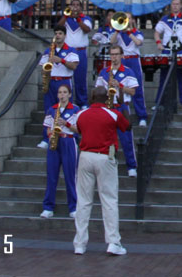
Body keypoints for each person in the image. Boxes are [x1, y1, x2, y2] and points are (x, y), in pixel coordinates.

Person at [72, 85, 129, 257]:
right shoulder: (112, 114)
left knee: (83, 201)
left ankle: (80, 244)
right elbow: (127, 126)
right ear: (106, 98)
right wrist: (122, 103)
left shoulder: (82, 114)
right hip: (105, 156)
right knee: (109, 200)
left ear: (91, 98)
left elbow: (78, 128)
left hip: (85, 156)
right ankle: (113, 242)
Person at [95, 45, 139, 177]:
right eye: (112, 55)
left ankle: (132, 166)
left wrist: (119, 86)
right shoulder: (104, 72)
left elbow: (133, 91)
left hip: (121, 107)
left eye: (116, 54)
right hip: (108, 107)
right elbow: (98, 91)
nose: (113, 57)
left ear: (121, 55)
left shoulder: (128, 71)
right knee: (105, 138)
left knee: (126, 139)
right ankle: (107, 165)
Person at [39, 84, 81, 219]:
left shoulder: (75, 109)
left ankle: (73, 207)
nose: (62, 95)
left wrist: (66, 124)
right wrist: (51, 134)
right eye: (60, 92)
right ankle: (48, 207)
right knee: (51, 176)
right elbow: (47, 128)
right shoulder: (52, 110)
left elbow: (79, 130)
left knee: (70, 176)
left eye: (64, 92)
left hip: (68, 141)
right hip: (54, 143)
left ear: (69, 94)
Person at [154, 0, 182, 110]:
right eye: (173, 4)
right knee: (164, 77)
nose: (175, 6)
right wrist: (158, 42)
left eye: (177, 4)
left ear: (181, 5)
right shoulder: (165, 19)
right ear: (171, 6)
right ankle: (160, 103)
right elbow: (157, 32)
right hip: (167, 49)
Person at [109, 12, 147, 126]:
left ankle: (142, 116)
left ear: (132, 20)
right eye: (125, 18)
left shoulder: (138, 33)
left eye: (129, 18)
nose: (127, 20)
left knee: (137, 88)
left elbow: (139, 42)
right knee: (117, 87)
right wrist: (117, 29)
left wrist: (129, 32)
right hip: (122, 60)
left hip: (134, 60)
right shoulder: (118, 33)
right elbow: (111, 41)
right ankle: (117, 115)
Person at [56, 0, 92, 107]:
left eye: (77, 5)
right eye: (73, 5)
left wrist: (78, 19)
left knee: (80, 78)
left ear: (81, 8)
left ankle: (82, 102)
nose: (75, 7)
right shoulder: (66, 19)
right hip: (67, 52)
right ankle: (68, 102)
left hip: (80, 51)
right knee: (66, 77)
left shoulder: (85, 19)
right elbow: (59, 27)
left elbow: (87, 29)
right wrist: (66, 16)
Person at [38, 28, 79, 113]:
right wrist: (47, 68)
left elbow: (74, 66)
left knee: (66, 109)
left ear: (65, 35)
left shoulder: (71, 50)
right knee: (49, 109)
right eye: (56, 33)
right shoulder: (48, 51)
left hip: (64, 81)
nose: (57, 35)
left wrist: (61, 60)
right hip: (51, 81)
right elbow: (42, 69)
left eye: (60, 33)